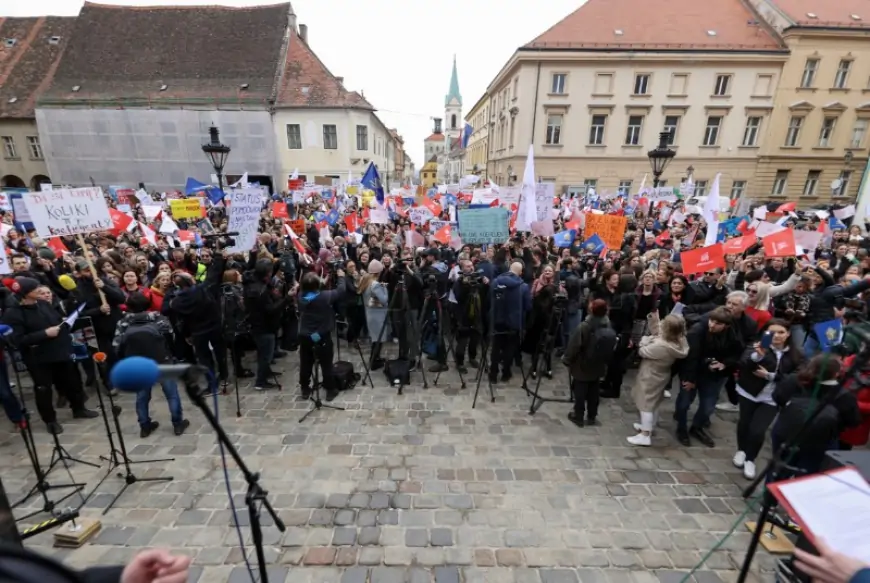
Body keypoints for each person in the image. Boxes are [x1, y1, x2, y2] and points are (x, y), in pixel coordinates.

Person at [1, 277, 98, 434]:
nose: (39, 290)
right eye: (35, 289)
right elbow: (16, 340)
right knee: (44, 389)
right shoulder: (13, 313)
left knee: (72, 382)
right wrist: (44, 333)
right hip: (38, 358)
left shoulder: (44, 304)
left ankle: (79, 408)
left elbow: (57, 320)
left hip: (60, 351)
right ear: (25, 294)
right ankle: (50, 420)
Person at [732, 319, 802, 479]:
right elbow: (744, 363)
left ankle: (751, 458)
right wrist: (758, 356)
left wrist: (772, 376)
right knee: (745, 423)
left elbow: (798, 376)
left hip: (772, 397)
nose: (776, 336)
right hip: (749, 392)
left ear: (788, 334)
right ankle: (741, 450)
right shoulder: (757, 346)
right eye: (772, 332)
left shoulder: (796, 353)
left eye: (781, 332)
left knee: (758, 430)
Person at [112, 292, 189, 438]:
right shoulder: (159, 319)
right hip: (162, 361)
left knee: (142, 396)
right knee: (171, 394)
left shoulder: (123, 322)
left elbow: (116, 345)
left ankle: (145, 426)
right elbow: (171, 338)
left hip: (138, 364)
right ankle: (177, 424)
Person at [677, 307, 742, 448]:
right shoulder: (697, 331)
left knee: (708, 407)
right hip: (693, 372)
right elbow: (691, 358)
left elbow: (737, 353)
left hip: (714, 375)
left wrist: (724, 364)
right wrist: (690, 379)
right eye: (712, 321)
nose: (712, 325)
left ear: (726, 326)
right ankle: (681, 429)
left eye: (718, 323)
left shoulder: (732, 334)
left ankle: (697, 427)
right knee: (684, 403)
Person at [628, 313, 689, 446]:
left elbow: (643, 351)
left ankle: (645, 435)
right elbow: (658, 333)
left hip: (650, 375)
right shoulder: (678, 341)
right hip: (661, 374)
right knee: (654, 402)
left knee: (646, 404)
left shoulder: (662, 346)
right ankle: (649, 426)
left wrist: (644, 340)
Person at [297, 269, 346, 401]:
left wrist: (321, 283)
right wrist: (341, 277)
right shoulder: (325, 296)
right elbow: (340, 291)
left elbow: (314, 294)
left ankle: (305, 389)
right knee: (326, 362)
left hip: (305, 335)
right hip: (319, 335)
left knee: (306, 363)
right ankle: (330, 389)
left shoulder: (302, 296)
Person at [562, 298, 612, 427]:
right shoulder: (607, 324)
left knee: (580, 390)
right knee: (594, 391)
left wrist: (567, 359)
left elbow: (574, 345)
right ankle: (592, 416)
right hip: (599, 363)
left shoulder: (584, 326)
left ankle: (578, 415)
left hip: (582, 364)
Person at [488, 261, 531, 384]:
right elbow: (528, 307)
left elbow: (489, 300)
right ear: (521, 272)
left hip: (498, 320)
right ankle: (506, 373)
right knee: (510, 348)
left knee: (496, 347)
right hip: (514, 322)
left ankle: (493, 373)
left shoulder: (496, 282)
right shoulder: (523, 287)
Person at [359, 260, 389, 369]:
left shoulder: (366, 281)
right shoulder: (375, 284)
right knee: (378, 340)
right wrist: (385, 288)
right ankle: (374, 362)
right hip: (377, 315)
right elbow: (384, 300)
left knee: (376, 339)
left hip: (371, 313)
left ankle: (375, 358)